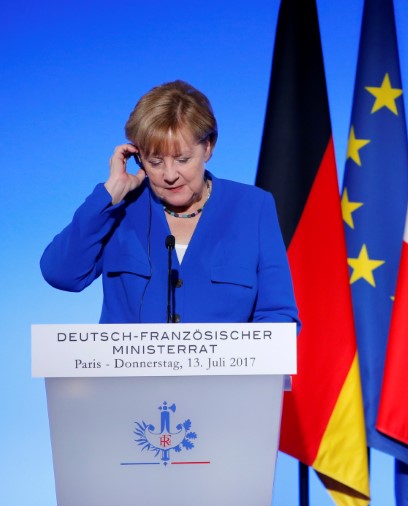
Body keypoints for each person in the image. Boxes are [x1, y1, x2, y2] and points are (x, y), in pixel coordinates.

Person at [41, 80, 299, 326]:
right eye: (155, 162)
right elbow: (61, 274)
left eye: (182, 159)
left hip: (225, 373)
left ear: (208, 148)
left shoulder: (253, 207)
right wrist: (109, 194)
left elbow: (277, 313)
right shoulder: (119, 209)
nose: (170, 174)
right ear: (137, 157)